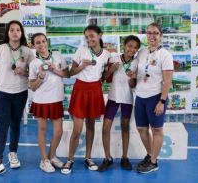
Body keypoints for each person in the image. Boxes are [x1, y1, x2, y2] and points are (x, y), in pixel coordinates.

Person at [0, 20, 34, 178]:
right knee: (2, 126)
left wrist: (23, 72)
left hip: (21, 93)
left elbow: (33, 73)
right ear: (8, 33)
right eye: (12, 30)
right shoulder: (0, 50)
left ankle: (13, 153)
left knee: (15, 124)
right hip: (2, 93)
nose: (15, 32)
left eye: (18, 30)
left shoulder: (27, 51)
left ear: (21, 33)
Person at [61, 25, 110, 175]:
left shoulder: (107, 54)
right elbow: (70, 72)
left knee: (90, 126)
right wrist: (82, 66)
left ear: (100, 35)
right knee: (77, 129)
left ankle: (88, 157)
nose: (89, 39)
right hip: (80, 89)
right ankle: (70, 160)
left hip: (95, 90)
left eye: (92, 36)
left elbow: (105, 75)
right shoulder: (81, 51)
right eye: (87, 37)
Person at [134, 22, 173, 173]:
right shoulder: (142, 52)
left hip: (155, 97)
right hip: (140, 96)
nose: (151, 36)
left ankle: (154, 162)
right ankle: (150, 154)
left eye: (155, 33)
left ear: (160, 36)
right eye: (149, 33)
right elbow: (140, 72)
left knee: (156, 130)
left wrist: (162, 101)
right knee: (141, 129)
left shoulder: (165, 55)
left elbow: (168, 81)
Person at [98, 35, 140, 172]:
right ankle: (107, 158)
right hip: (113, 97)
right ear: (124, 45)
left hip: (127, 99)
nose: (132, 49)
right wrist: (111, 70)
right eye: (130, 46)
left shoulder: (136, 63)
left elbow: (134, 85)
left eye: (135, 48)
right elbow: (103, 77)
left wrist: (132, 79)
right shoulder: (114, 58)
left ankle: (124, 157)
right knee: (105, 127)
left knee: (125, 127)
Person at [29, 33, 69, 173]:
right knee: (43, 130)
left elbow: (67, 74)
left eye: (43, 41)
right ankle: (44, 160)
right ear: (34, 46)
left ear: (47, 42)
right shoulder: (34, 63)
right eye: (38, 43)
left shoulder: (57, 56)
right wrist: (40, 76)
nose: (41, 44)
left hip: (56, 99)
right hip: (41, 100)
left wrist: (55, 69)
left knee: (58, 131)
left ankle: (52, 156)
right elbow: (32, 86)